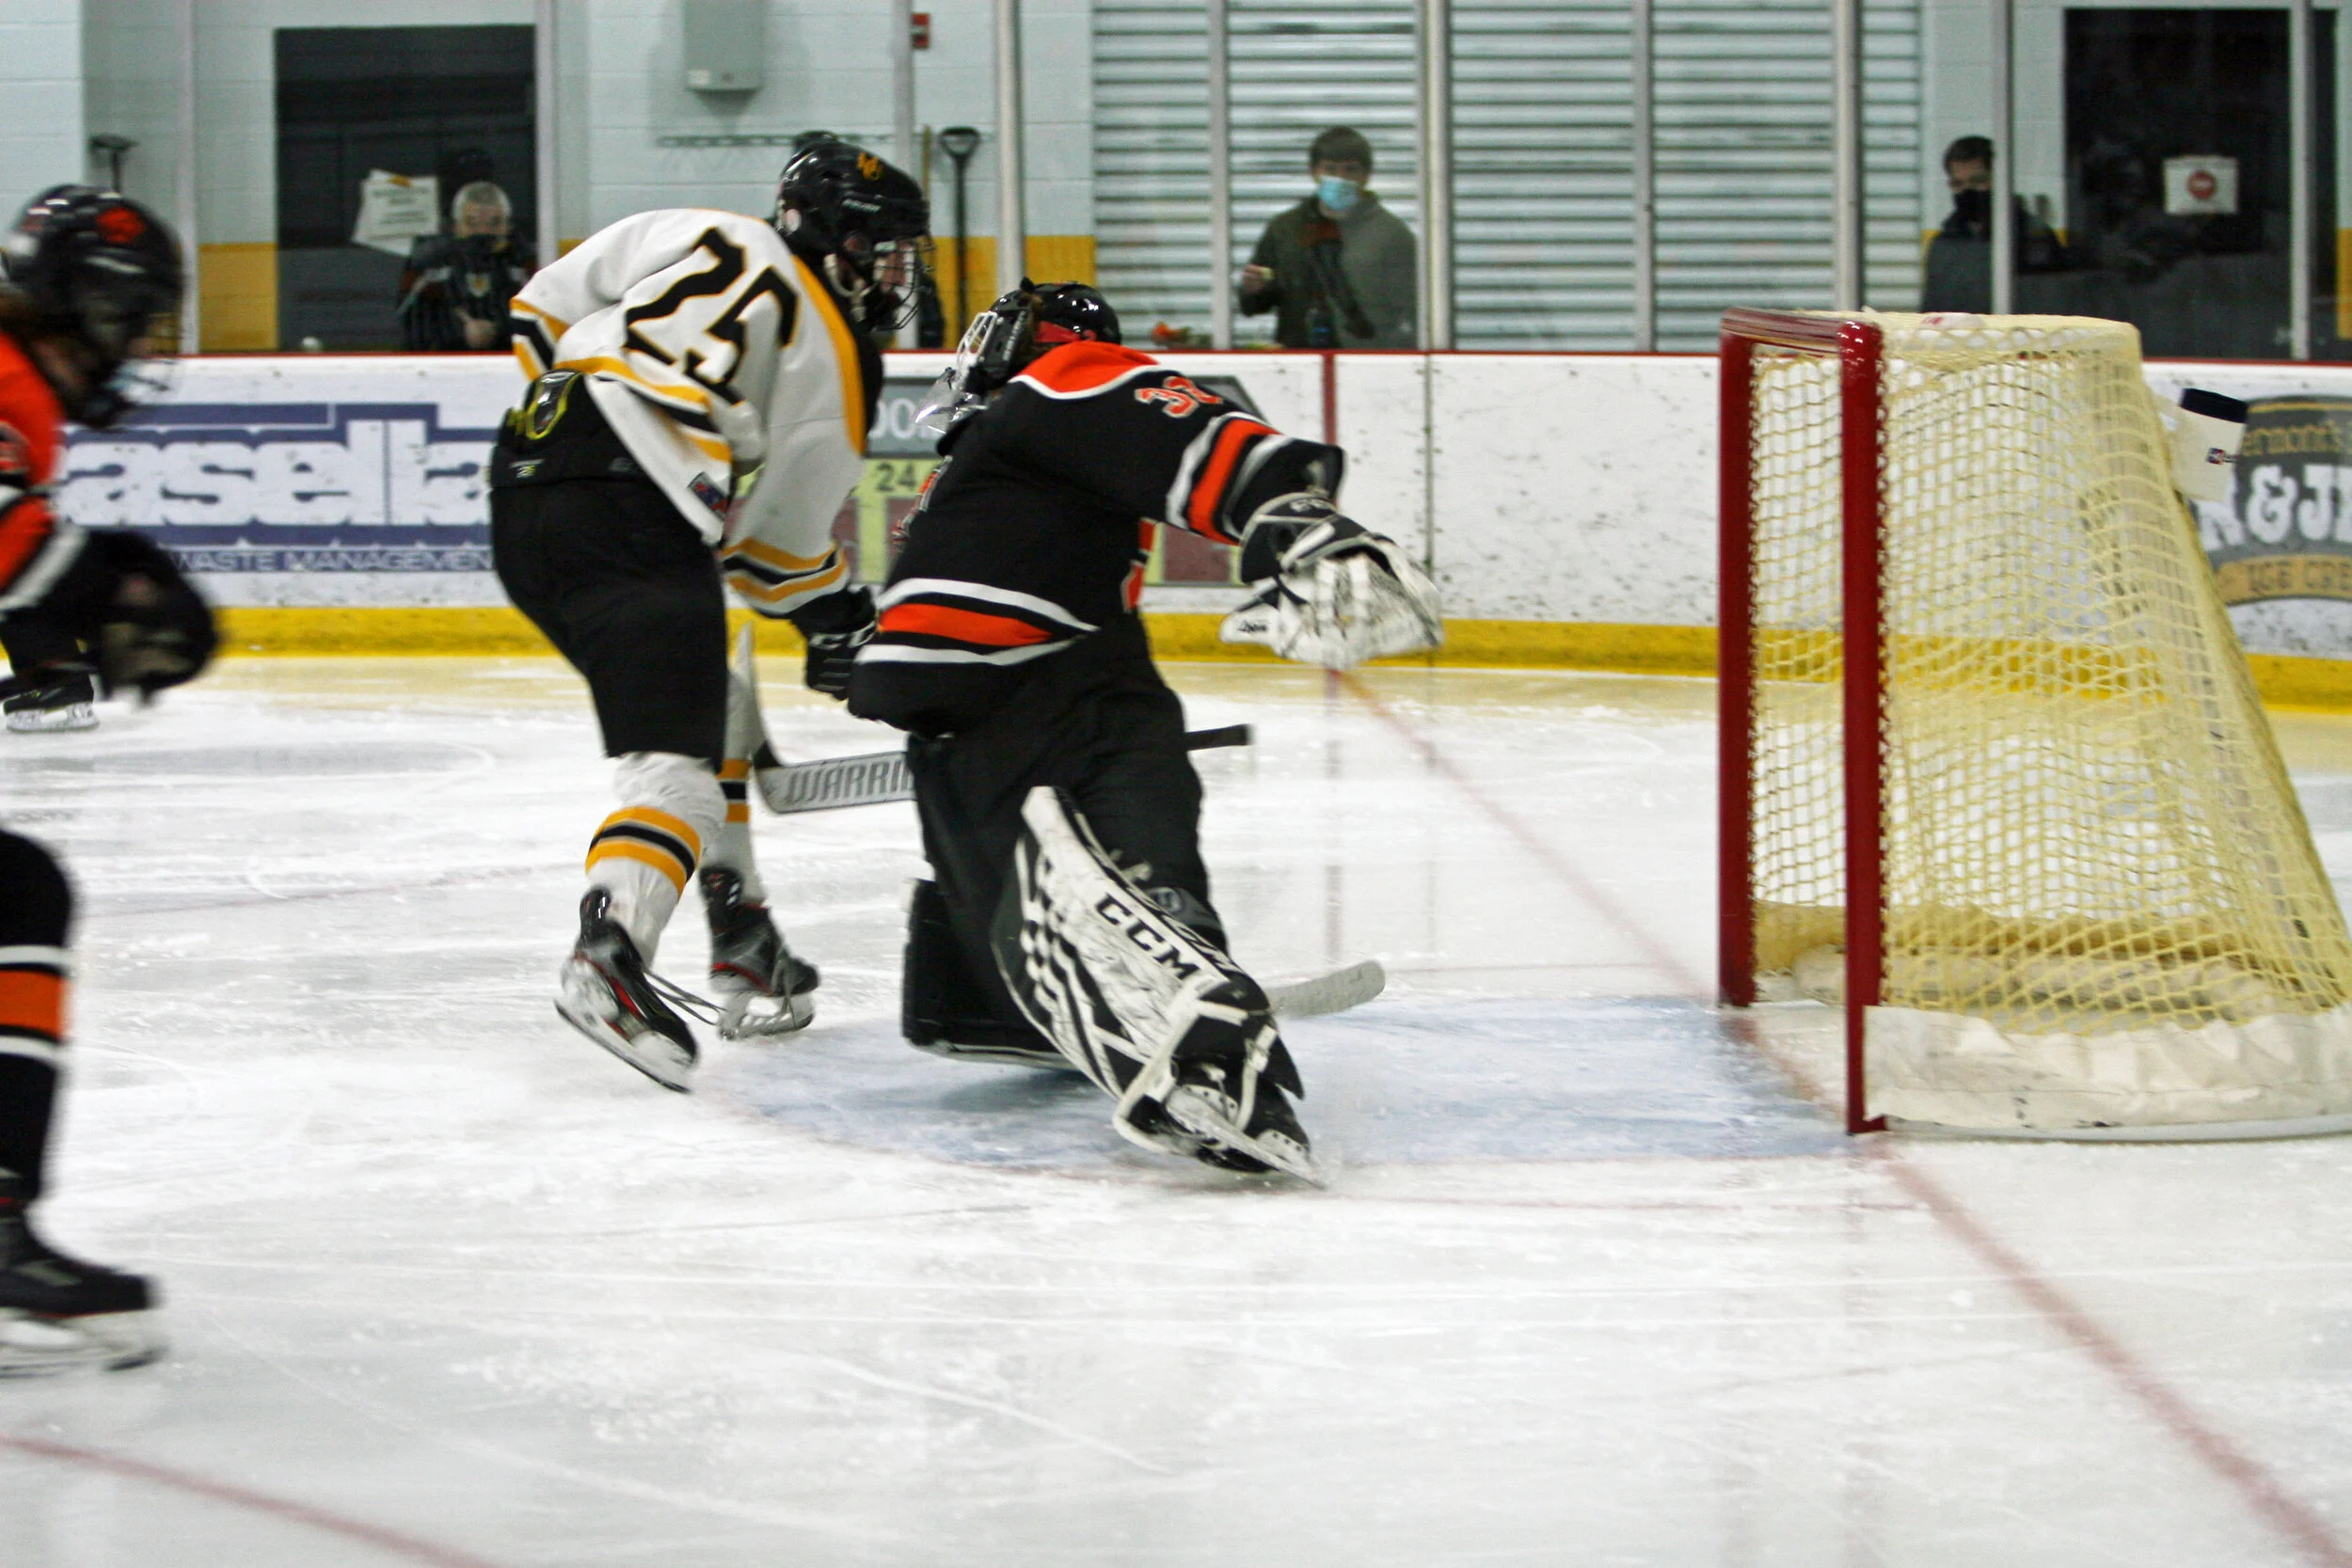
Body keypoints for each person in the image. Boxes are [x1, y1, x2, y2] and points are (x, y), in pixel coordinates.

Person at [848, 281, 1441, 1179]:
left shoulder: (1024, 414)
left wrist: (1294, 521)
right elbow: (1171, 438)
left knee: (1037, 913)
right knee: (1131, 807)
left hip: (987, 713)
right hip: (1056, 687)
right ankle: (1175, 979)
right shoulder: (1037, 410)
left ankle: (1117, 993)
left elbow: (1180, 435)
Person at [493, 142, 930, 1091]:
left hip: (523, 483)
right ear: (841, 236)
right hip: (632, 510)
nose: (893, 271)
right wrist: (837, 619)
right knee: (678, 776)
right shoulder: (836, 348)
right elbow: (774, 552)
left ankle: (741, 929)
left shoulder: (700, 230)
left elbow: (539, 306)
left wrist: (586, 425)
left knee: (716, 695)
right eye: (884, 247)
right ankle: (608, 957)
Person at [0, 185, 217, 1372]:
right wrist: (120, 586)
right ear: (88, 303)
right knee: (17, 897)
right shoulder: (6, 379)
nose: (142, 349)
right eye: (135, 319)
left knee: (17, 893)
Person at [1238, 126, 1417, 349]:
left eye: (1350, 170)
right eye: (1330, 169)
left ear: (1367, 175)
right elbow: (1254, 306)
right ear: (1314, 172)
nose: (1339, 179)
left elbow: (1413, 312)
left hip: (1366, 359)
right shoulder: (1285, 229)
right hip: (1297, 360)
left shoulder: (1392, 235)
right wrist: (1252, 290)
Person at [1920, 135, 2069, 313]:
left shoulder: (2033, 237)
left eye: (1978, 181)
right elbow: (1930, 313)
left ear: (1999, 180)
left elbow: (2051, 309)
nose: (1967, 191)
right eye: (1958, 184)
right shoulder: (1943, 245)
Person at [398, 181, 537, 352]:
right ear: (456, 226)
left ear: (507, 226)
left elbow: (545, 318)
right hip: (446, 364)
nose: (483, 231)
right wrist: (457, 330)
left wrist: (499, 330)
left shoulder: (525, 264)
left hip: (512, 362)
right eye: (472, 223)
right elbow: (409, 319)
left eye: (494, 223)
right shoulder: (433, 265)